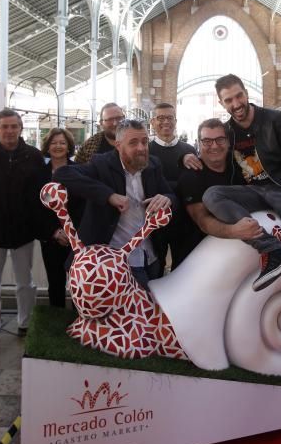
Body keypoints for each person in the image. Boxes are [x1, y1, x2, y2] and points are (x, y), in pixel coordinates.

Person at [202, 74, 281, 373]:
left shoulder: (275, 119)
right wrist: (189, 159)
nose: (236, 104)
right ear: (222, 103)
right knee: (212, 195)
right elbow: (211, 150)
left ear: (246, 93)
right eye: (228, 100)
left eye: (238, 96)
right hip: (253, 193)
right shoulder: (228, 131)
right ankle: (272, 250)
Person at [54, 119, 176, 289]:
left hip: (151, 257)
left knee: (148, 311)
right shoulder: (101, 164)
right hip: (114, 263)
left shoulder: (153, 165)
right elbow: (62, 173)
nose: (141, 148)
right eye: (133, 143)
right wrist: (108, 195)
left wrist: (167, 198)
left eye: (144, 141)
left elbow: (170, 193)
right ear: (118, 145)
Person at [0, 109, 44, 359]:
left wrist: (37, 225)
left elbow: (41, 195)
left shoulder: (34, 156)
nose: (9, 131)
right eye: (5, 126)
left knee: (25, 282)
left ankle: (26, 323)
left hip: (23, 231)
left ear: (21, 128)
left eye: (14, 126)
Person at [176, 118, 262, 259]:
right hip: (201, 260)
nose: (214, 146)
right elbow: (201, 219)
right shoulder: (190, 176)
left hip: (242, 255)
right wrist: (233, 231)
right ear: (199, 143)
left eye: (220, 139)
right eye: (207, 141)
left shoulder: (239, 167)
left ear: (228, 142)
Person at [31, 128, 83, 307]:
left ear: (69, 146)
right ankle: (57, 320)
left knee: (80, 282)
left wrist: (71, 232)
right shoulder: (38, 174)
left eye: (62, 142)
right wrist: (54, 232)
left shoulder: (79, 171)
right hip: (51, 238)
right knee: (55, 282)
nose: (58, 146)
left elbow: (83, 206)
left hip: (76, 238)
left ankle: (81, 317)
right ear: (47, 146)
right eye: (54, 143)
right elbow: (35, 209)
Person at [149, 103, 196, 270]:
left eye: (169, 118)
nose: (165, 122)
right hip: (154, 223)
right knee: (155, 268)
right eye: (160, 118)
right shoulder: (146, 150)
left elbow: (194, 184)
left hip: (183, 221)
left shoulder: (189, 150)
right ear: (152, 122)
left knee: (182, 268)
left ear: (175, 121)